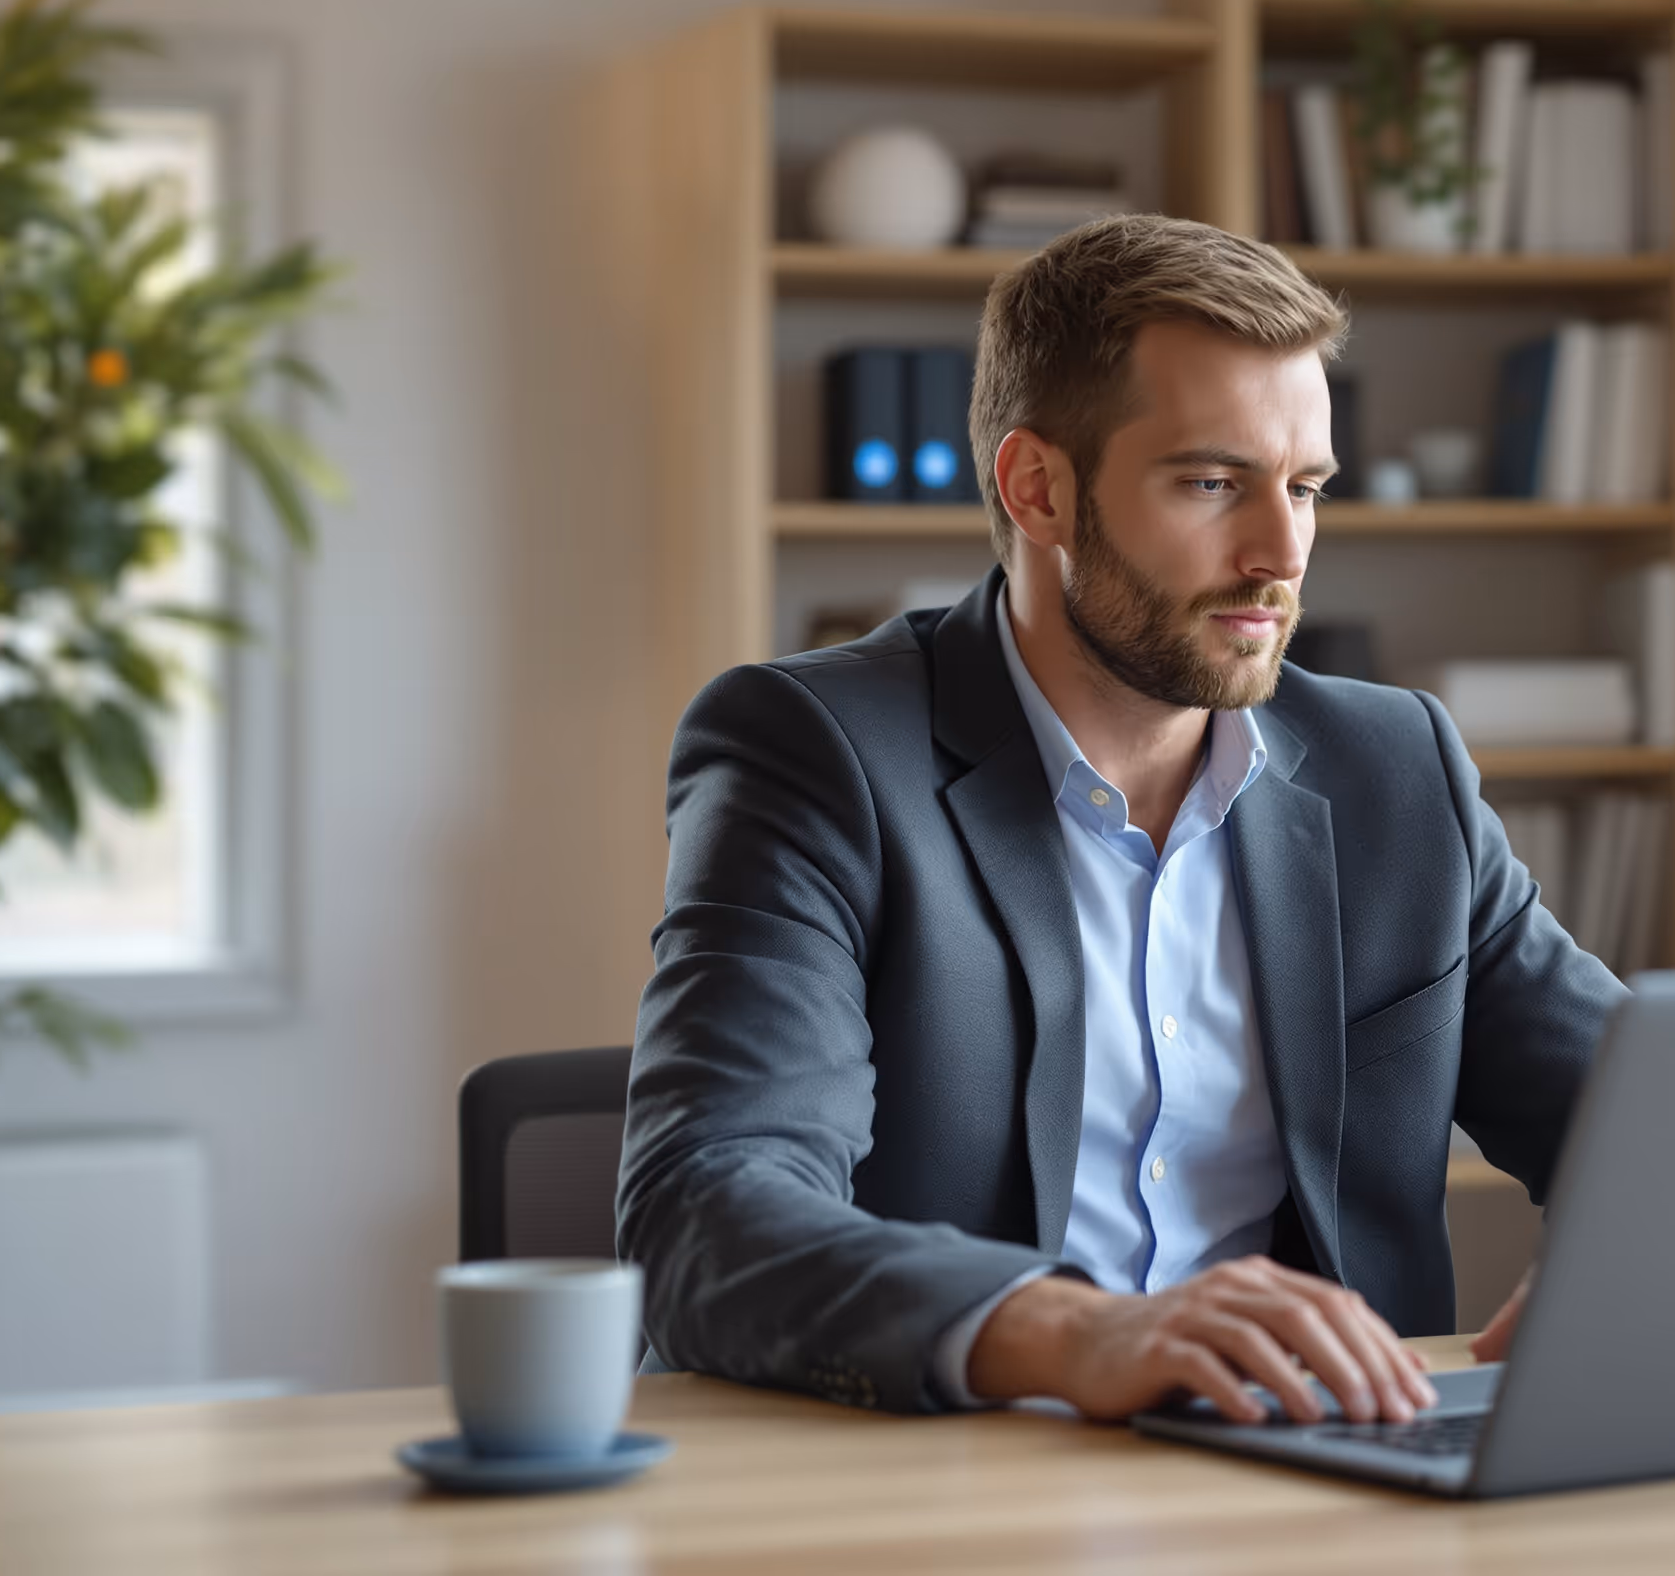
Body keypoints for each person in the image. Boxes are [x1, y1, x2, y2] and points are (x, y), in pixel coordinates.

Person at [618, 214, 1620, 1425]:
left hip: (1331, 1481)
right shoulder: (815, 755)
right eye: (1212, 482)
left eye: (1304, 488)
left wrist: (1643, 1252)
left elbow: (1642, 1106)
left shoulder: (1394, 770)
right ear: (1038, 487)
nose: (1279, 553)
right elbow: (708, 1207)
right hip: (946, 1484)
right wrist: (1075, 1326)